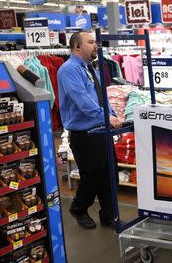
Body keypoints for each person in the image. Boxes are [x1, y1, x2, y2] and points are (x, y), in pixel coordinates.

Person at [57, 32, 122, 229]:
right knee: (92, 175)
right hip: (84, 134)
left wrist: (113, 116)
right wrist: (105, 117)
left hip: (101, 130)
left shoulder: (89, 68)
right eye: (91, 42)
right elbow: (82, 100)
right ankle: (78, 208)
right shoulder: (68, 70)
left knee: (109, 173)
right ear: (77, 45)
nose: (96, 46)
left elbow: (101, 96)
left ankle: (109, 215)